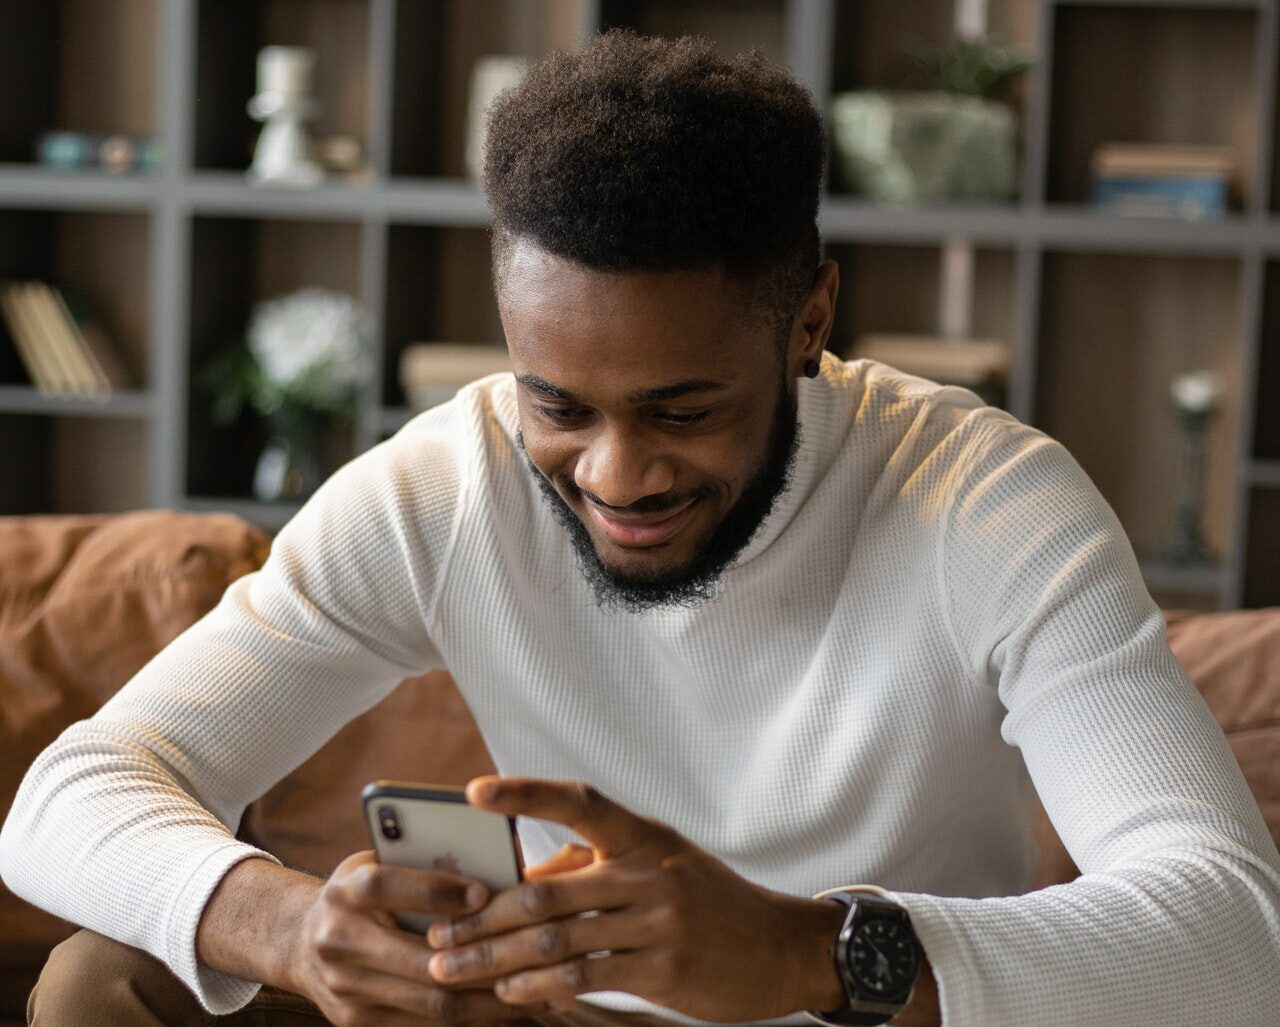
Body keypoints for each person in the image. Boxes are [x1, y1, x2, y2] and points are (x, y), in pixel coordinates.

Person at [3, 29, 1279, 1027]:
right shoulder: (445, 484)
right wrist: (278, 924)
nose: (615, 473)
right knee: (98, 980)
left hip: (846, 1010)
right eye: (556, 402)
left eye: (682, 407)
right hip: (550, 1009)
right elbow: (67, 793)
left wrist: (802, 951)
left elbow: (1234, 934)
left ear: (806, 322)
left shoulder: (986, 502)